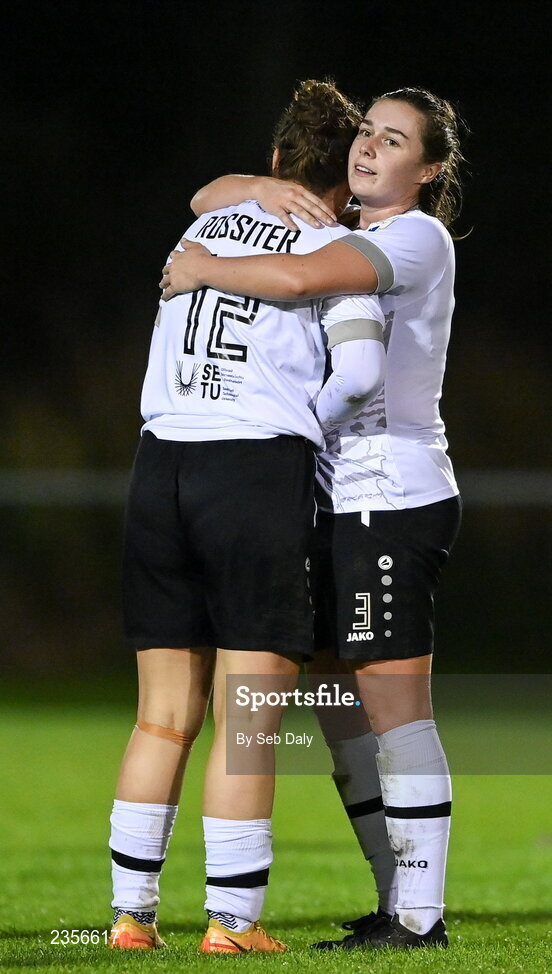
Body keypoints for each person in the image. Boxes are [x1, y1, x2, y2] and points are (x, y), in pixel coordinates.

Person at [160, 85, 465, 950]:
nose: (370, 146)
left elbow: (297, 279)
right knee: (336, 703)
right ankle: (391, 898)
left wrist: (203, 269)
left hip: (390, 497)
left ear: (429, 168)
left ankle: (418, 916)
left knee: (393, 703)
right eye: (366, 131)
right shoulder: (352, 227)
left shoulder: (415, 236)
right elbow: (204, 196)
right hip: (338, 502)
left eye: (394, 139)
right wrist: (258, 190)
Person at [108, 79, 386, 955]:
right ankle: (232, 924)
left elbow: (210, 194)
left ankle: (128, 919)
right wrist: (314, 421)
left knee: (162, 714)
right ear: (344, 174)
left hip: (159, 467)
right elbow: (362, 372)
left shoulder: (203, 226)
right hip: (252, 468)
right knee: (249, 716)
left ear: (273, 160)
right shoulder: (334, 241)